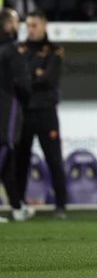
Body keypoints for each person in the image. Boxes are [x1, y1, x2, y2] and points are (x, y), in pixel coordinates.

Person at [15, 11, 67, 219]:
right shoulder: (18, 50)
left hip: (46, 113)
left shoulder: (55, 51)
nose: (30, 29)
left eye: (34, 25)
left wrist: (29, 77)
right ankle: (18, 205)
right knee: (21, 161)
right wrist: (35, 74)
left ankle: (61, 206)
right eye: (27, 26)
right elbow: (16, 80)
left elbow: (49, 80)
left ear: (44, 26)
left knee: (53, 159)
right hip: (23, 113)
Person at [0, 8, 34, 222]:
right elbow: (23, 84)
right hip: (6, 107)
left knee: (7, 161)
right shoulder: (12, 50)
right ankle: (17, 205)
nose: (18, 25)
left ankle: (16, 205)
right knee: (4, 151)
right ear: (7, 25)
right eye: (15, 21)